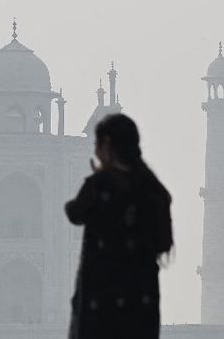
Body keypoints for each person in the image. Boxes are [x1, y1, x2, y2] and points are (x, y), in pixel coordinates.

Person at [65, 114, 173, 339]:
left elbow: (74, 212)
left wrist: (100, 180)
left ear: (107, 144)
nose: (95, 151)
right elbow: (163, 242)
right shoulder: (153, 189)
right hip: (140, 303)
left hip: (101, 304)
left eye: (97, 144)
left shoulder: (99, 186)